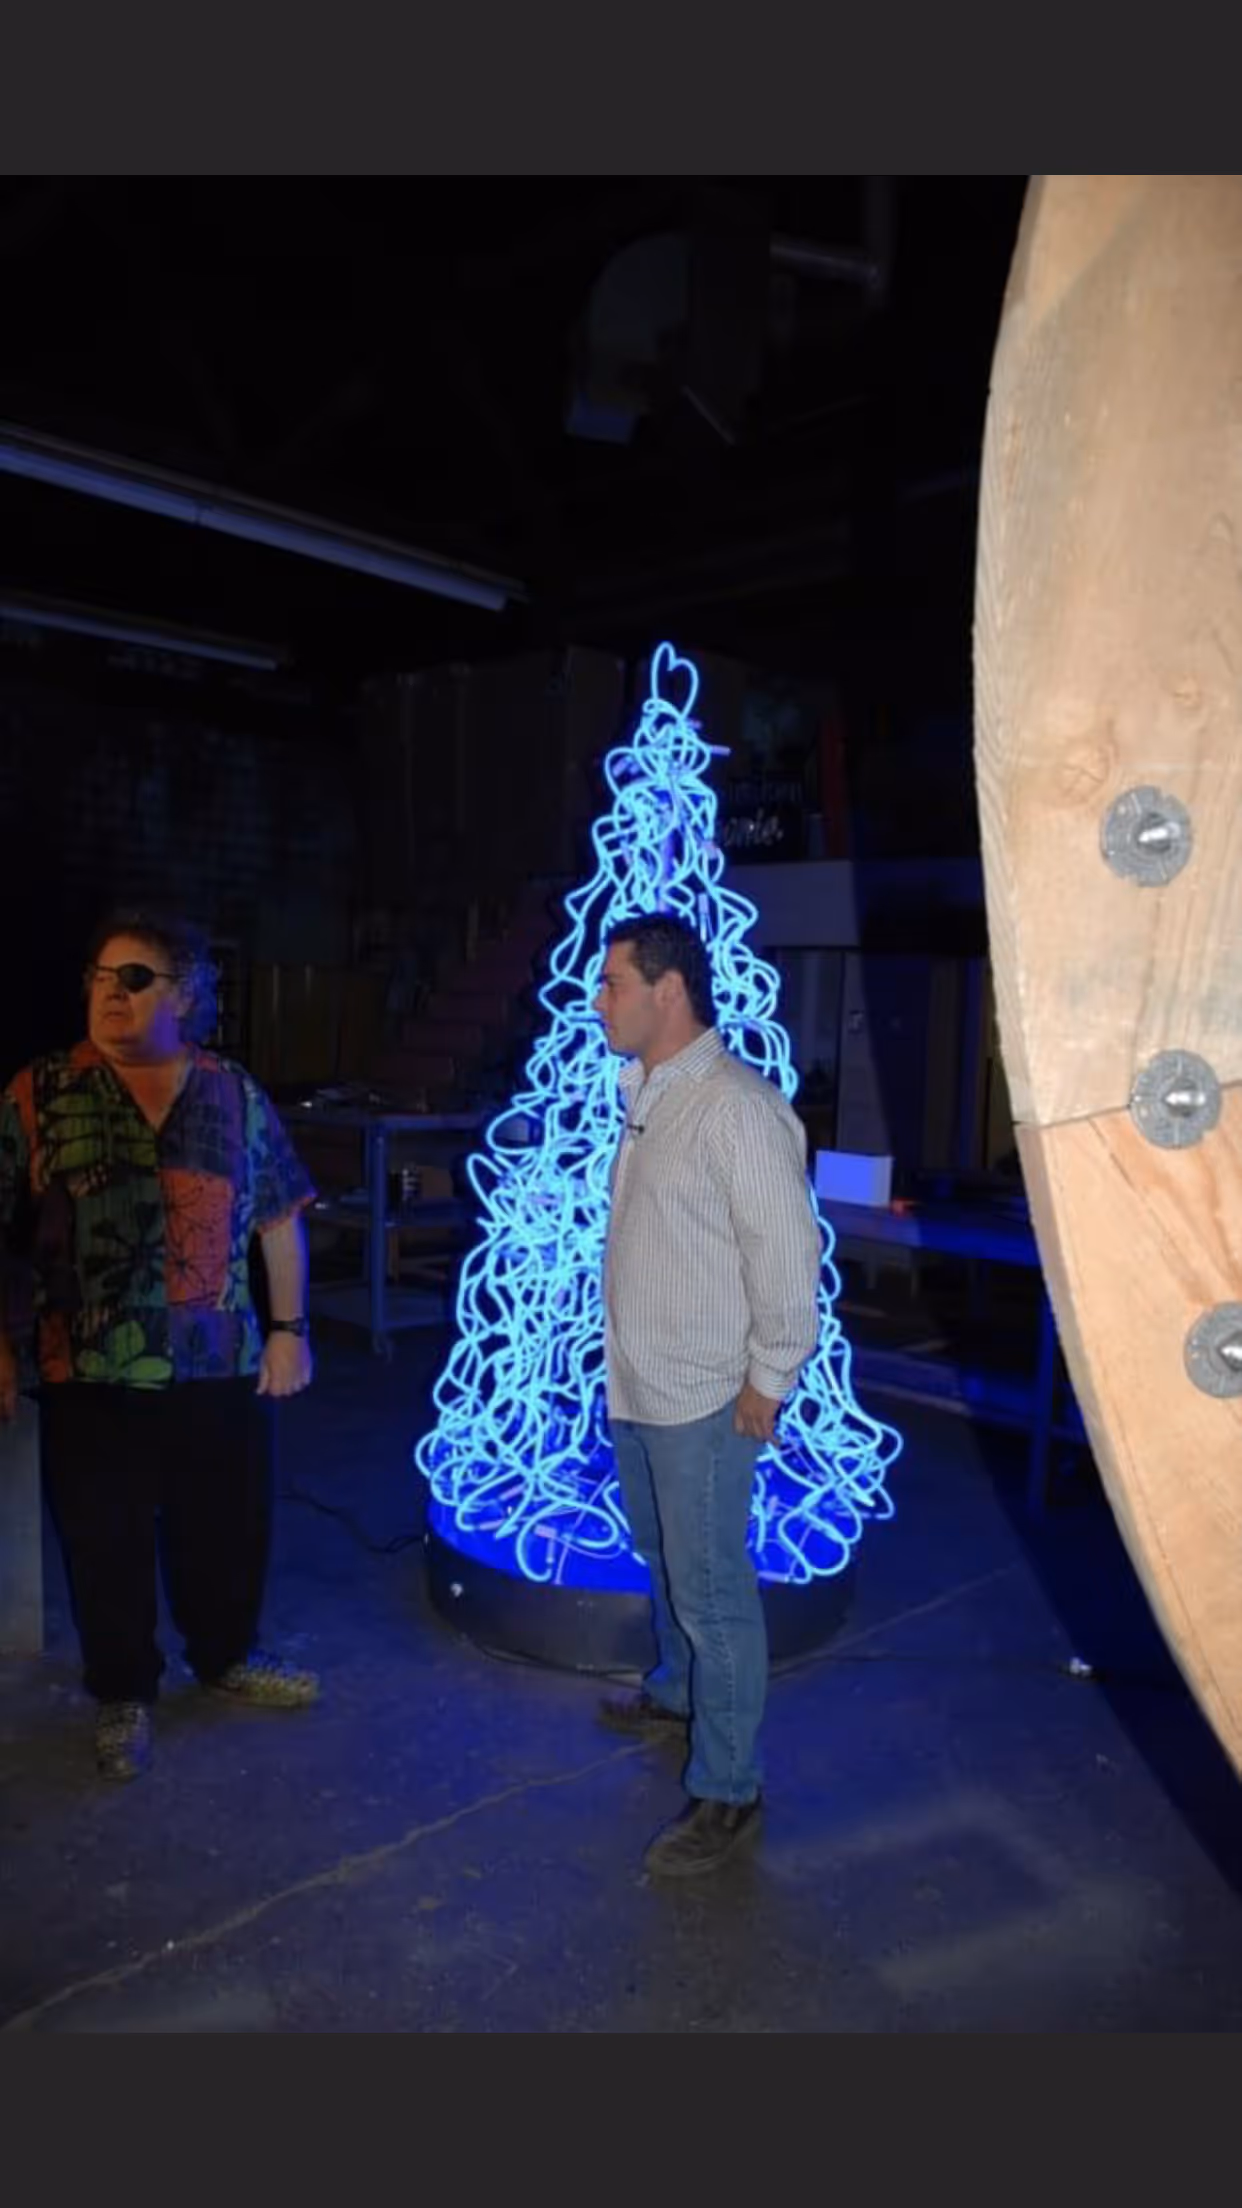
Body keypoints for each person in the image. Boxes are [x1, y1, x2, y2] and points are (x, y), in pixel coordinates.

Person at [0, 908, 320, 1783]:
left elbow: (278, 1219)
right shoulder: (40, 1093)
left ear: (186, 995)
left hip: (218, 1359)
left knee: (225, 1524)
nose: (112, 994)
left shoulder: (232, 1092)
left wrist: (288, 1332)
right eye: (100, 979)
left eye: (135, 979)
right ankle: (123, 1690)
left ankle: (225, 1657)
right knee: (102, 1535)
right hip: (88, 1361)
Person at [593, 912, 822, 1878]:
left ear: (670, 990)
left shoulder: (734, 1108)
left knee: (714, 1591)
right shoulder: (650, 1093)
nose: (597, 1001)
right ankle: (678, 1692)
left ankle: (729, 1789)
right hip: (640, 1384)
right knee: (665, 1560)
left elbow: (788, 1255)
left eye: (613, 983)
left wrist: (771, 1377)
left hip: (704, 1398)